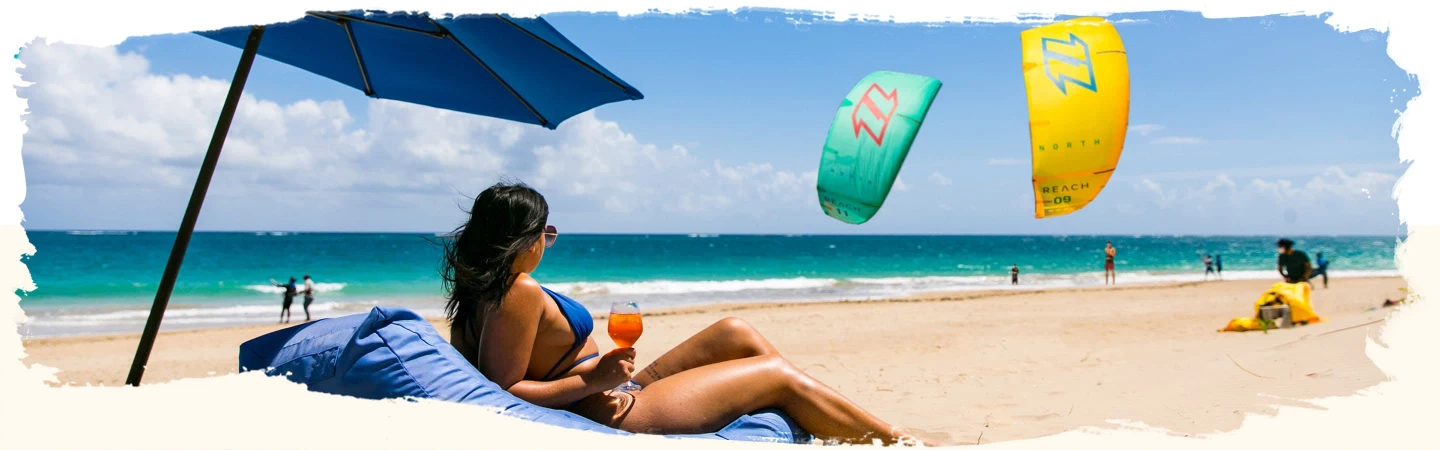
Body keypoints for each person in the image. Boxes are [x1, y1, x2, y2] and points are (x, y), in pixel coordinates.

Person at [440, 181, 930, 446]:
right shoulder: (518, 289)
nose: (550, 240)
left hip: (615, 388)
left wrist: (603, 375)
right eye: (547, 230)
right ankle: (899, 443)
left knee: (734, 331)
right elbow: (504, 395)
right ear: (524, 236)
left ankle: (826, 422)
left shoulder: (476, 296)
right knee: (776, 376)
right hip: (618, 412)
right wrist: (594, 380)